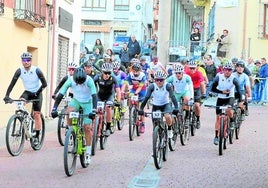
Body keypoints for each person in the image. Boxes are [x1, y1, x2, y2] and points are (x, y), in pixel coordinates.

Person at [51, 68, 97, 164]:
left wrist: (94, 110)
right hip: (76, 101)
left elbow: (94, 96)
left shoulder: (89, 80)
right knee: (68, 111)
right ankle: (71, 130)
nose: (80, 84)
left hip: (88, 103)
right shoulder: (70, 80)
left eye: (82, 82)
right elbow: (60, 94)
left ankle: (88, 152)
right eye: (78, 83)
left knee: (87, 127)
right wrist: (54, 108)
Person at [4, 52, 47, 146]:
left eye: (28, 60)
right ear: (22, 61)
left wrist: (37, 93)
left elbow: (45, 84)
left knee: (36, 114)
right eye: (24, 60)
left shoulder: (37, 70)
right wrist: (7, 95)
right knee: (20, 103)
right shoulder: (19, 71)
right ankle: (24, 120)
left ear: (31, 61)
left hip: (37, 92)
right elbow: (12, 84)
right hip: (27, 92)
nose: (26, 62)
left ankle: (36, 136)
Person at [138, 70, 179, 138]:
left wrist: (176, 107)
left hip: (165, 105)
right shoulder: (152, 86)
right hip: (156, 106)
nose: (159, 82)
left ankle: (169, 129)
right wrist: (141, 109)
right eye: (157, 80)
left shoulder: (167, 86)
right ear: (154, 80)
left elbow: (172, 97)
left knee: (167, 116)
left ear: (164, 80)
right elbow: (146, 98)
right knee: (155, 123)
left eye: (161, 80)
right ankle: (157, 135)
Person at [210, 61, 243, 145]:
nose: (227, 71)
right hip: (220, 98)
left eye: (229, 70)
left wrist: (240, 101)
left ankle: (231, 121)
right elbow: (212, 89)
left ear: (232, 71)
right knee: (218, 118)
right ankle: (216, 136)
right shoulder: (218, 77)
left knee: (229, 109)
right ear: (223, 70)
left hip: (230, 97)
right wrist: (221, 91)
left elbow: (239, 91)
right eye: (225, 69)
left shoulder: (234, 79)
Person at [93, 63, 121, 136]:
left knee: (108, 108)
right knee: (96, 110)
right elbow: (91, 86)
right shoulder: (98, 77)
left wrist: (118, 101)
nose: (107, 75)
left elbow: (118, 90)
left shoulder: (113, 78)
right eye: (105, 73)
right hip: (100, 95)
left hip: (109, 96)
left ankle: (108, 127)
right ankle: (95, 125)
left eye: (109, 73)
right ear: (102, 72)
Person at [121, 63, 147, 133]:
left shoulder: (143, 76)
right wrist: (122, 92)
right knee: (130, 96)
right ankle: (131, 110)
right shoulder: (130, 75)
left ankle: (142, 124)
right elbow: (125, 83)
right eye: (134, 71)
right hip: (134, 89)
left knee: (142, 107)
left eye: (137, 71)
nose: (135, 73)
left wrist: (136, 93)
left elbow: (140, 87)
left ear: (139, 71)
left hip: (142, 90)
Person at [166, 63, 194, 127]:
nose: (178, 74)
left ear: (182, 72)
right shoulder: (172, 77)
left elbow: (191, 87)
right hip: (177, 93)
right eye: (176, 73)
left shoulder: (187, 77)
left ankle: (187, 118)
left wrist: (191, 98)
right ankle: (175, 123)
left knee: (187, 100)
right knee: (174, 108)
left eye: (179, 73)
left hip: (185, 91)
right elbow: (165, 83)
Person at [185, 60, 206, 129]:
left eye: (193, 68)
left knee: (197, 105)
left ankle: (197, 119)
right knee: (185, 104)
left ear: (196, 68)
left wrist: (203, 93)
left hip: (196, 90)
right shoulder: (186, 73)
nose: (192, 70)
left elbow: (202, 84)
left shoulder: (199, 73)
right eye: (190, 68)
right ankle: (187, 118)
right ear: (188, 68)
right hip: (188, 90)